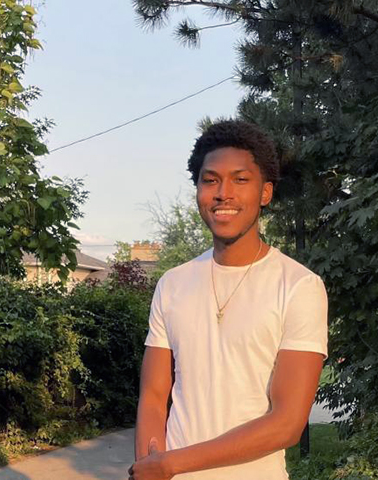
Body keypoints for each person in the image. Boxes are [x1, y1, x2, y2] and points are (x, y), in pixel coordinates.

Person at [129, 120, 328, 480]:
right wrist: (150, 469)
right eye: (210, 180)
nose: (223, 193)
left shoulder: (299, 286)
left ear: (265, 193)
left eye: (240, 179)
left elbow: (286, 424)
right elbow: (154, 397)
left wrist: (172, 464)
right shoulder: (173, 284)